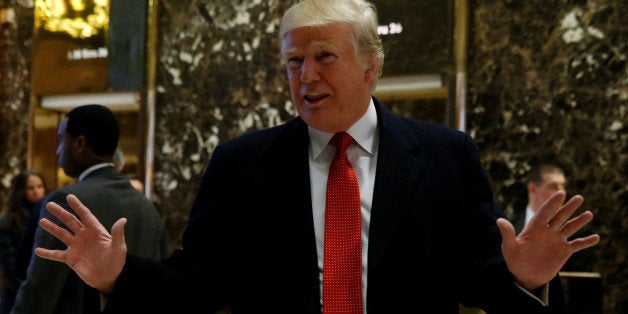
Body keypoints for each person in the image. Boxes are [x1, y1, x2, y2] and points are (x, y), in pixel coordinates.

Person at [33, 1, 600, 313]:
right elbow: (197, 285)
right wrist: (117, 277)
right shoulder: (242, 164)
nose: (306, 75)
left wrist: (522, 279)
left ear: (371, 65)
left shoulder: (445, 156)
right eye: (293, 61)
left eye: (324, 56)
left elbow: (476, 280)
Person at [11, 104, 169, 314]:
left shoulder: (67, 200)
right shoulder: (146, 206)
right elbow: (159, 285)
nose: (58, 150)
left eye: (61, 140)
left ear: (79, 143)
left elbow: (40, 290)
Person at [510, 163, 596, 272]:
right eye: (553, 186)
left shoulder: (579, 233)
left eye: (563, 186)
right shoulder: (509, 226)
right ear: (532, 189)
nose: (562, 192)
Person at [0, 170, 46, 314]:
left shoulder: (47, 213)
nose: (37, 192)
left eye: (40, 186)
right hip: (18, 291)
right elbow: (8, 264)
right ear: (21, 191)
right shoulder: (9, 221)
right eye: (31, 188)